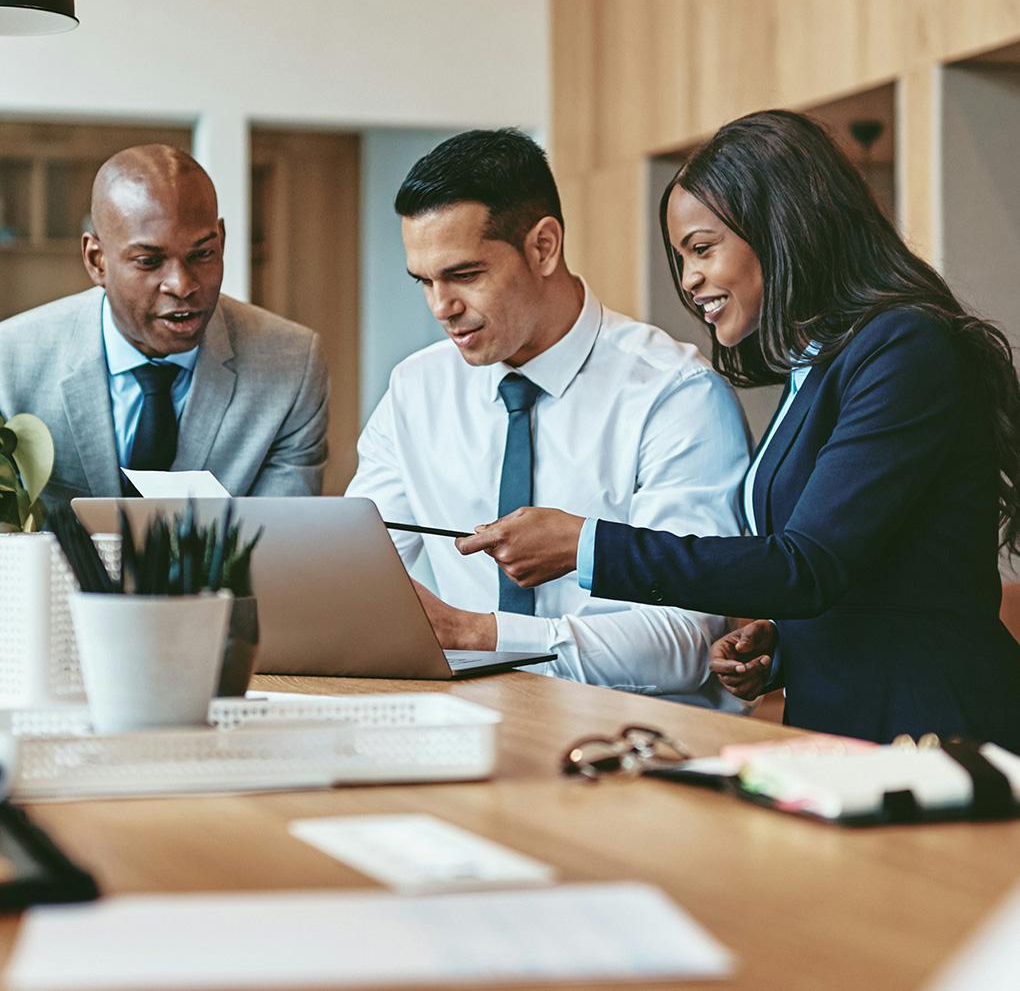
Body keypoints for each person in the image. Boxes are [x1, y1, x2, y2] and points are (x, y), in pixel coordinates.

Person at [459, 110, 1020, 749]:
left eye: (702, 248)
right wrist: (780, 646)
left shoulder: (903, 346)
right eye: (682, 257)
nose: (690, 279)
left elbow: (808, 565)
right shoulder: (817, 364)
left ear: (784, 230)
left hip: (936, 728)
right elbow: (860, 574)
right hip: (847, 729)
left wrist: (586, 545)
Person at [346, 128, 752, 707]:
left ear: (543, 246)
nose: (443, 308)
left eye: (464, 275)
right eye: (425, 282)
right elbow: (358, 569)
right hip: (464, 729)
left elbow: (687, 642)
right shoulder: (416, 388)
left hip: (633, 748)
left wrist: (479, 635)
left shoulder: (675, 395)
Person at [0, 145, 328, 506]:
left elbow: (281, 542)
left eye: (202, 254)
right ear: (97, 261)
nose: (182, 285)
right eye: (149, 261)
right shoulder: (12, 360)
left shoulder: (292, 364)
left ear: (221, 240)